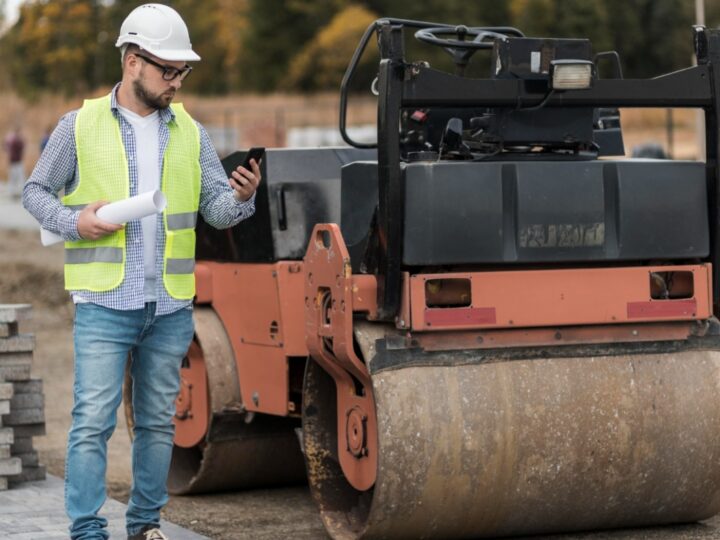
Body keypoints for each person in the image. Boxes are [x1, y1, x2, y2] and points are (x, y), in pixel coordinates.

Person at [22, 4, 261, 540]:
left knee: (157, 424)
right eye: (167, 70)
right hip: (104, 302)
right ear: (132, 62)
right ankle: (87, 531)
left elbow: (215, 211)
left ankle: (144, 525)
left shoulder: (191, 133)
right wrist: (73, 221)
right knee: (92, 424)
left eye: (183, 72)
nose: (177, 81)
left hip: (170, 305)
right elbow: (34, 192)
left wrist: (241, 197)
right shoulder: (77, 125)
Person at [4, 126, 25, 200]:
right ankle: (14, 192)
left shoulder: (10, 139)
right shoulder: (15, 140)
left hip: (14, 161)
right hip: (15, 161)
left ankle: (14, 192)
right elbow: (22, 146)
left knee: (16, 178)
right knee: (17, 178)